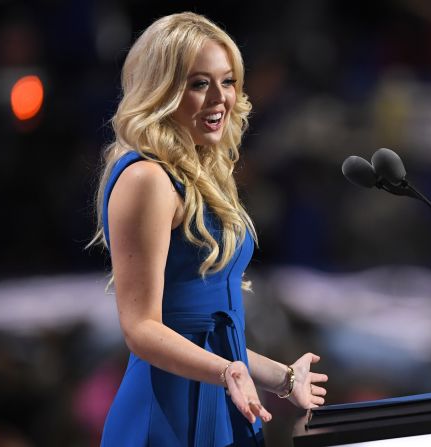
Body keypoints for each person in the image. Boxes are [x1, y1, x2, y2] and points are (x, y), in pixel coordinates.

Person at [88, 12, 328, 446]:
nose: (221, 98)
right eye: (199, 83)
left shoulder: (199, 174)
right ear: (162, 91)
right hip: (164, 413)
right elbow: (141, 327)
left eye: (228, 81)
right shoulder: (147, 179)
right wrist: (224, 370)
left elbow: (210, 332)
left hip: (222, 400)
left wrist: (283, 377)